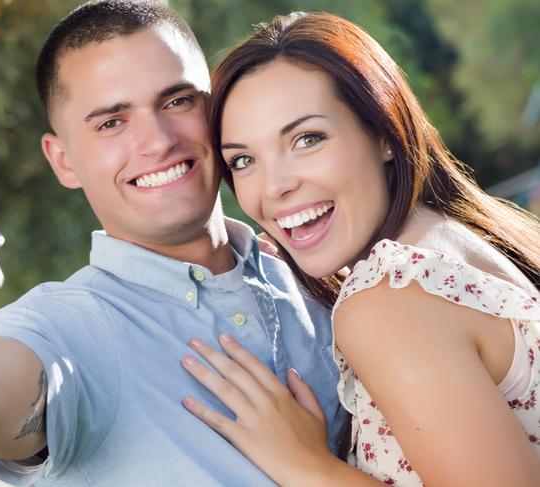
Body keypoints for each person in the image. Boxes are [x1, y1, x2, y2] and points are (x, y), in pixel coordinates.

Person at [0, 2, 346, 486]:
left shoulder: (313, 268)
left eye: (177, 101)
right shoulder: (65, 327)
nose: (157, 141)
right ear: (62, 160)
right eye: (111, 122)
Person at [180, 11, 540, 487]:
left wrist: (307, 466)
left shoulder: (389, 300)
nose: (275, 188)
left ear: (383, 132)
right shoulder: (452, 237)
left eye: (307, 139)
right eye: (244, 161)